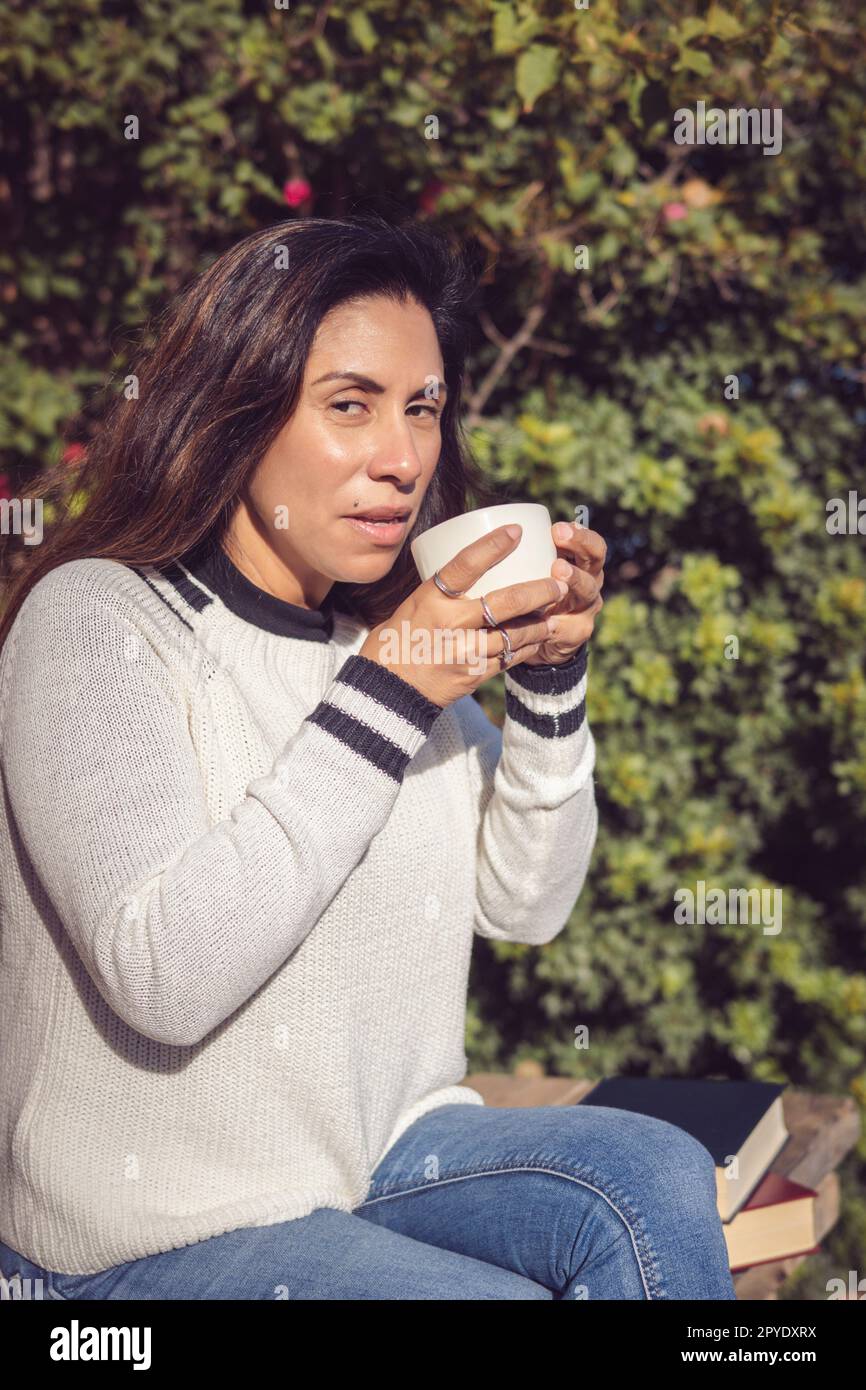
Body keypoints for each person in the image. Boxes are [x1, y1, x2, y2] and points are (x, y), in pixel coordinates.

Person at [0, 215, 735, 1300]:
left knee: (653, 1173)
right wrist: (391, 687)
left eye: (421, 409)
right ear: (236, 411)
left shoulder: (375, 648)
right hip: (142, 1233)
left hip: (371, 1161)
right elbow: (163, 976)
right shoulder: (99, 620)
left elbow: (525, 904)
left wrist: (545, 681)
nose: (401, 458)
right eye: (350, 404)